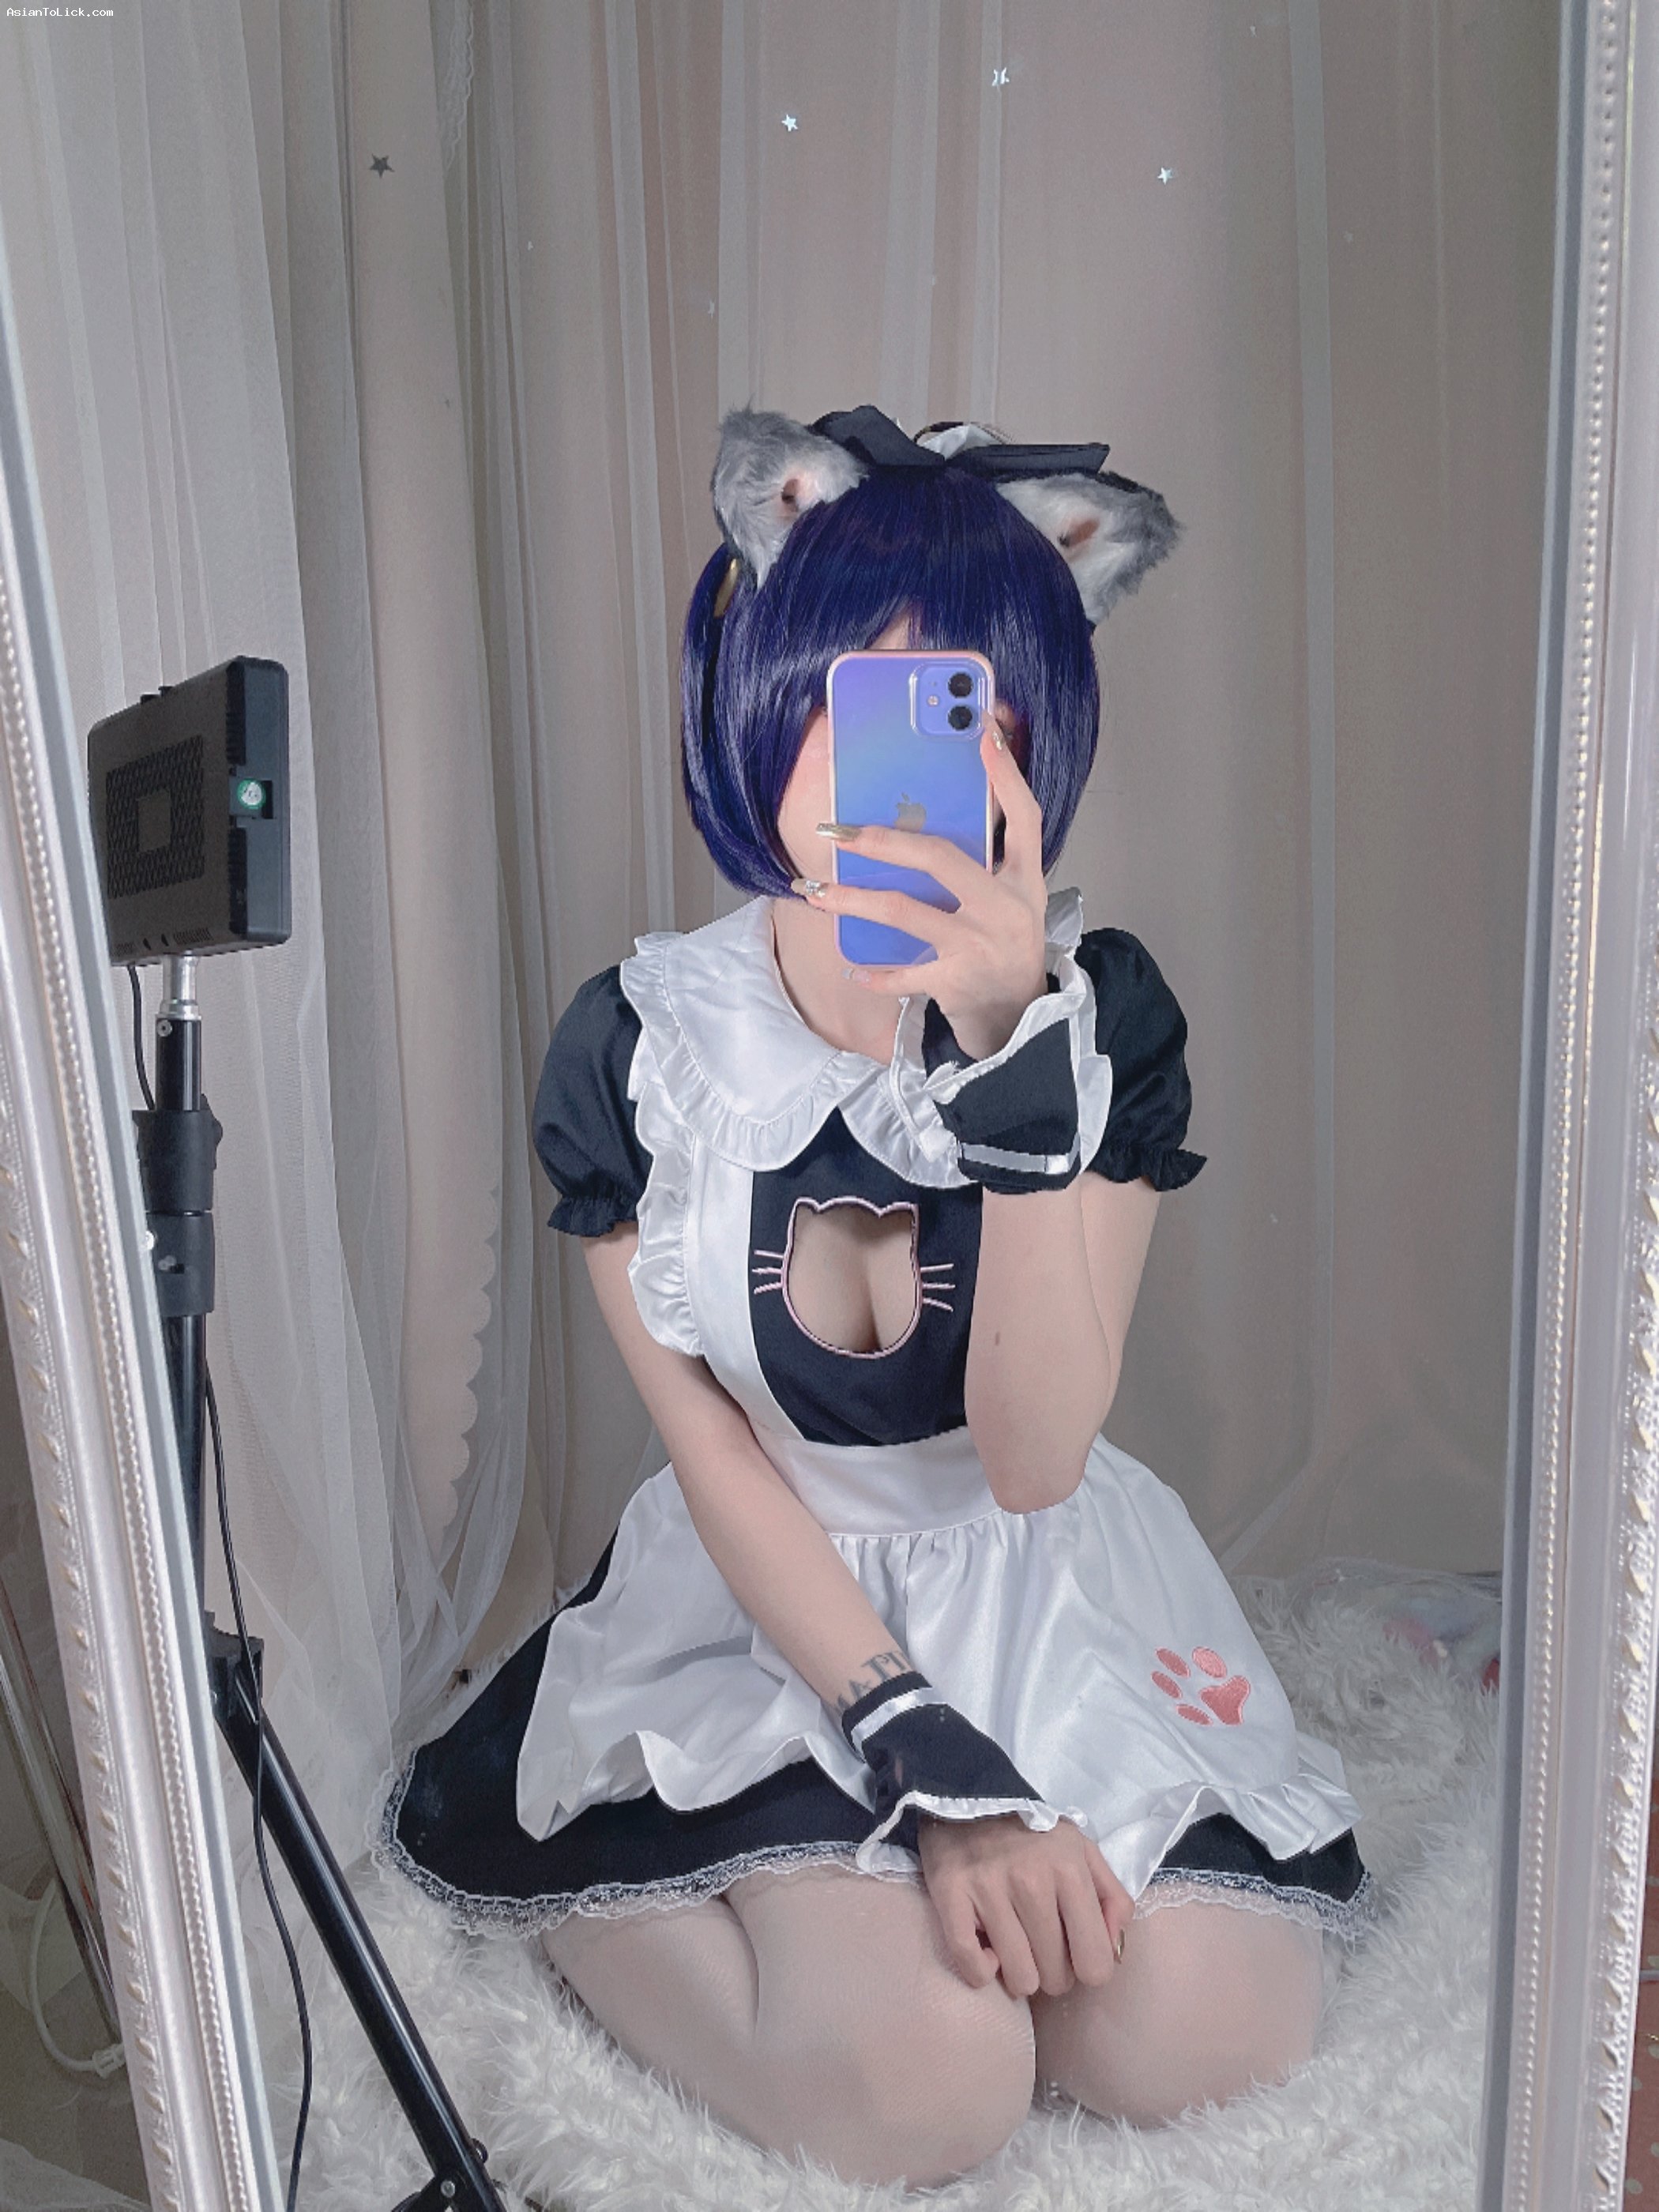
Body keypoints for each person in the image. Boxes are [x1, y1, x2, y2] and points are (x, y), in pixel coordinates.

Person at [382, 404, 1372, 2188]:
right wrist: (924, 1756)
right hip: (775, 1590)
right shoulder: (639, 1046)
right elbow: (715, 1451)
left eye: (971, 709)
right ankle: (596, 1878)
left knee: (1200, 2035)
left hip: (1035, 1571)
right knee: (932, 2082)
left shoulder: (1103, 1018)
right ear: (769, 695)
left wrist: (1011, 1057)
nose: (907, 765)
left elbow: (1035, 1459)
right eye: (864, 695)